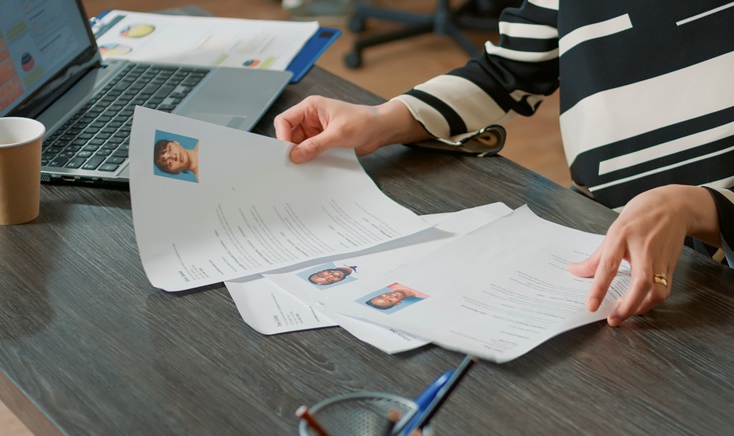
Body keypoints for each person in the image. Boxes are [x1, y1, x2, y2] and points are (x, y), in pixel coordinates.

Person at [275, 1, 734, 326]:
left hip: (715, 272)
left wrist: (697, 208)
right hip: (597, 247)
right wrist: (383, 119)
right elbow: (507, 73)